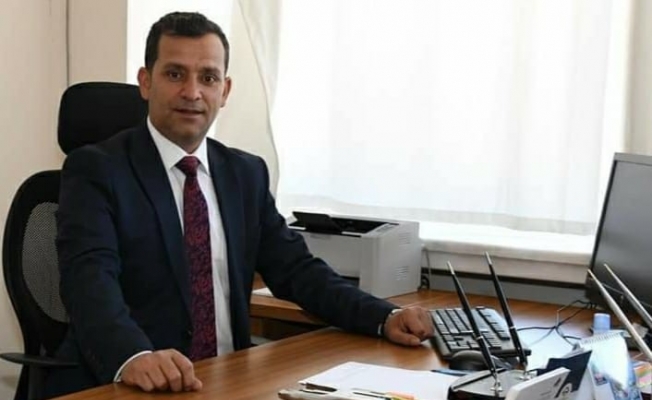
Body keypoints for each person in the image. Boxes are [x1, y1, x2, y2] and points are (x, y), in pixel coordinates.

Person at [45, 11, 434, 398]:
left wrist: (384, 317)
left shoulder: (245, 174)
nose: (192, 92)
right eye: (175, 74)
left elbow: (297, 271)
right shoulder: (96, 170)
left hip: (228, 381)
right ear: (146, 82)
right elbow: (88, 282)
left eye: (208, 78)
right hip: (132, 386)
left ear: (225, 90)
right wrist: (134, 356)